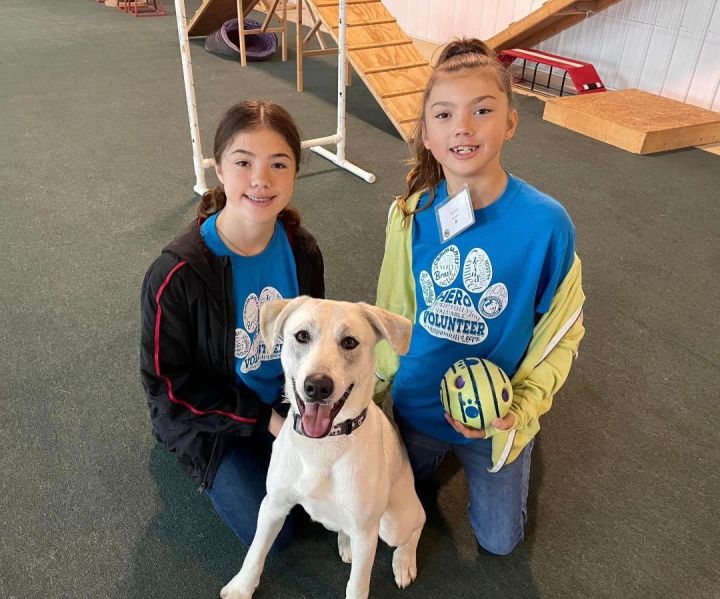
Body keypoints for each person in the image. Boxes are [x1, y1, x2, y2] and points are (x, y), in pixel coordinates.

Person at [374, 38, 585, 556]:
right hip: (417, 404)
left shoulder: (547, 224)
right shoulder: (410, 214)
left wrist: (524, 409)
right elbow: (392, 309)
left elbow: (562, 331)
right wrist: (379, 392)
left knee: (499, 543)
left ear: (510, 122)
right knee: (381, 519)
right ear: (426, 132)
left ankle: (517, 446)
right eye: (443, 115)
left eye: (482, 111)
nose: (462, 128)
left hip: (495, 417)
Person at [140, 100, 324, 549]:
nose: (261, 179)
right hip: (213, 422)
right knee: (279, 535)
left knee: (330, 506)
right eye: (244, 162)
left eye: (278, 164)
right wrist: (266, 421)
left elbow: (313, 342)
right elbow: (167, 390)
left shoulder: (302, 251)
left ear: (295, 172)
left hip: (286, 404)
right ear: (219, 168)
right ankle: (197, 463)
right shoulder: (175, 275)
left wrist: (308, 409)